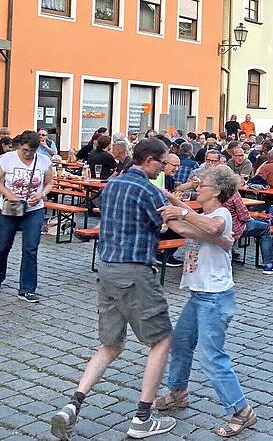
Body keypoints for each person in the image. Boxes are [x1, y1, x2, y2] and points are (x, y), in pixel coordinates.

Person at [51, 138, 176, 440]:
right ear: (149, 160)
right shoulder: (147, 190)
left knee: (111, 345)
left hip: (106, 269)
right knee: (161, 340)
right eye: (162, 163)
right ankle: (142, 418)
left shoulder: (113, 184)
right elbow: (164, 225)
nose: (163, 169)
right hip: (134, 270)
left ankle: (72, 404)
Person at [155, 166, 258, 437]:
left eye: (203, 185)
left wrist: (179, 213)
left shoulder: (221, 214)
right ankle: (177, 392)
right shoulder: (205, 215)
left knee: (212, 355)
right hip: (198, 295)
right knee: (181, 343)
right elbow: (192, 227)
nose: (197, 187)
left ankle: (242, 410)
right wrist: (168, 201)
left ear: (217, 191)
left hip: (214, 297)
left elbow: (211, 227)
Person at [0, 130, 53, 303]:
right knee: (3, 246)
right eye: (25, 150)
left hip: (34, 209)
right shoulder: (6, 159)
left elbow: (49, 182)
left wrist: (41, 194)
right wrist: (8, 193)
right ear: (19, 146)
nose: (28, 154)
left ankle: (27, 289)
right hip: (10, 208)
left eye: (32, 151)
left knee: (30, 248)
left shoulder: (44, 161)